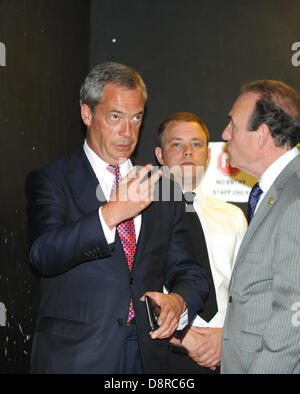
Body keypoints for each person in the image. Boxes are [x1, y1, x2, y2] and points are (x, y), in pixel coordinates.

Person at [25, 62, 208, 374]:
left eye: (136, 118)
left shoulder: (163, 187)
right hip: (77, 357)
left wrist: (179, 302)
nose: (128, 132)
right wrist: (109, 215)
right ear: (87, 113)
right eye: (115, 117)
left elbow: (190, 271)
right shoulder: (53, 180)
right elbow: (43, 255)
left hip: (147, 355)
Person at [155, 112, 247, 373]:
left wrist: (226, 337)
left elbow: (248, 291)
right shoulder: (140, 215)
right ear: (160, 155)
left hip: (227, 351)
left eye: (196, 144)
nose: (187, 152)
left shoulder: (233, 217)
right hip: (165, 352)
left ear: (208, 155)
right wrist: (185, 338)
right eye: (176, 144)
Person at [221, 79, 300, 374]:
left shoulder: (295, 198)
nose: (225, 133)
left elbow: (293, 318)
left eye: (233, 124)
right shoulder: (276, 192)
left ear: (262, 135)